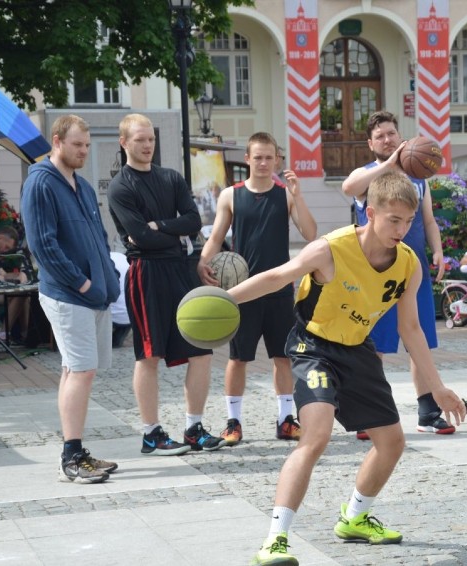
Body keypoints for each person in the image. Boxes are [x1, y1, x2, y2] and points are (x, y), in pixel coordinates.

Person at [236, 171, 466, 565]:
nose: (402, 228)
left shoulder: (409, 265)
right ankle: (275, 540)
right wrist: (223, 299)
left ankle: (355, 517)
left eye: (408, 221)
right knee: (316, 436)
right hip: (314, 346)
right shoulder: (330, 249)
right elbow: (278, 277)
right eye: (393, 220)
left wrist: (436, 387)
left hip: (357, 349)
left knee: (392, 443)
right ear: (370, 212)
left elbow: (411, 329)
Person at [107, 113, 223, 456]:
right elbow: (141, 237)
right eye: (140, 140)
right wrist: (161, 231)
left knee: (201, 351)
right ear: (124, 142)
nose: (147, 146)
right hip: (146, 274)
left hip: (182, 271)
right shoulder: (121, 187)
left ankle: (193, 428)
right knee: (149, 355)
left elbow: (194, 220)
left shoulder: (171, 178)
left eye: (151, 140)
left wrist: (158, 225)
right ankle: (151, 433)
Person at [198, 132, 317, 445]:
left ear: (277, 160)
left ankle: (285, 420)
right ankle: (233, 422)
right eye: (258, 157)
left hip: (279, 290)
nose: (264, 163)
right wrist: (202, 263)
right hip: (244, 290)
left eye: (270, 157)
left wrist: (300, 196)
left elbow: (310, 233)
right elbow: (215, 237)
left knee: (283, 358)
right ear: (248, 159)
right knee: (238, 359)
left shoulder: (286, 194)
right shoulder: (231, 195)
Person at [342, 110, 455, 439]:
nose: (387, 139)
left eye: (391, 133)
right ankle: (370, 412)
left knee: (418, 338)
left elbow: (429, 219)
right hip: (374, 270)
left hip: (413, 265)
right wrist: (390, 162)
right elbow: (348, 187)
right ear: (371, 143)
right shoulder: (367, 175)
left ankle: (428, 410)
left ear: (400, 135)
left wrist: (437, 249)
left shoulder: (418, 176)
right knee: (372, 343)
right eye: (380, 136)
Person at [21, 114, 121, 484]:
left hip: (92, 295)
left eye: (87, 146)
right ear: (57, 140)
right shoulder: (41, 184)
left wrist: (107, 279)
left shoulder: (81, 185)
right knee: (82, 370)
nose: (83, 151)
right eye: (77, 145)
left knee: (75, 370)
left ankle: (75, 451)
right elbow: (43, 245)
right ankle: (72, 455)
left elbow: (99, 237)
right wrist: (82, 284)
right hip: (67, 295)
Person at [109, 251, 131, 348]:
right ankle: (116, 343)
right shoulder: (122, 258)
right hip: (129, 317)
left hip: (111, 315)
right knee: (116, 344)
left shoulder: (105, 259)